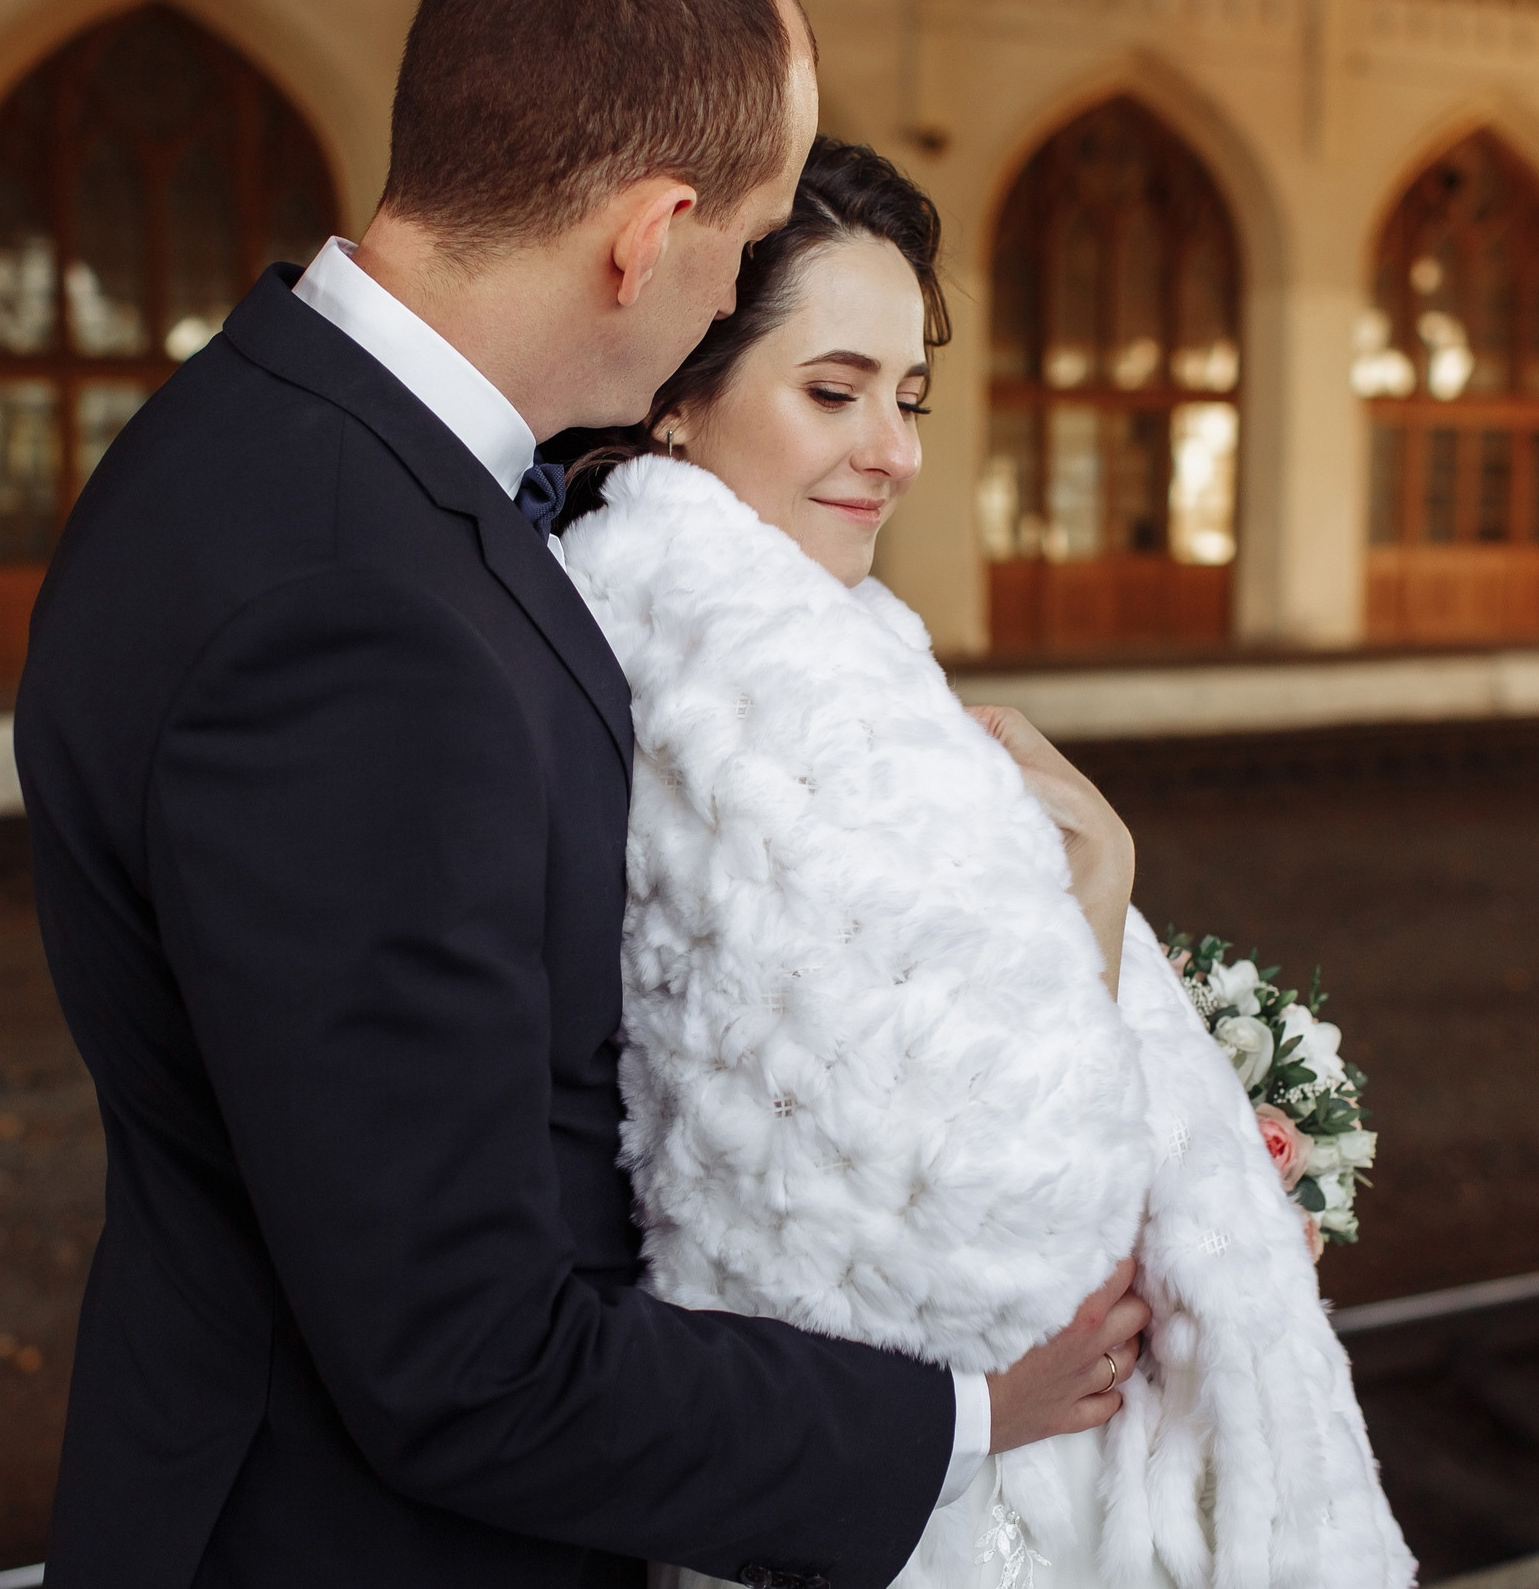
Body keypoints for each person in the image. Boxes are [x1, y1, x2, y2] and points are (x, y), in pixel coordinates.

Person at [14, 0, 1145, 1585]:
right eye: (743, 243)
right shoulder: (363, 617)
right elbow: (466, 1360)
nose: (731, 291)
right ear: (649, 233)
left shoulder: (258, 433)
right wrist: (965, 1416)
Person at [554, 139, 1415, 1589]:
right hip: (949, 1505)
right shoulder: (747, 688)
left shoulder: (790, 642)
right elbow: (987, 1216)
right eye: (832, 392)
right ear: (679, 398)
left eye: (906, 397)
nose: (894, 449)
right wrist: (1098, 903)